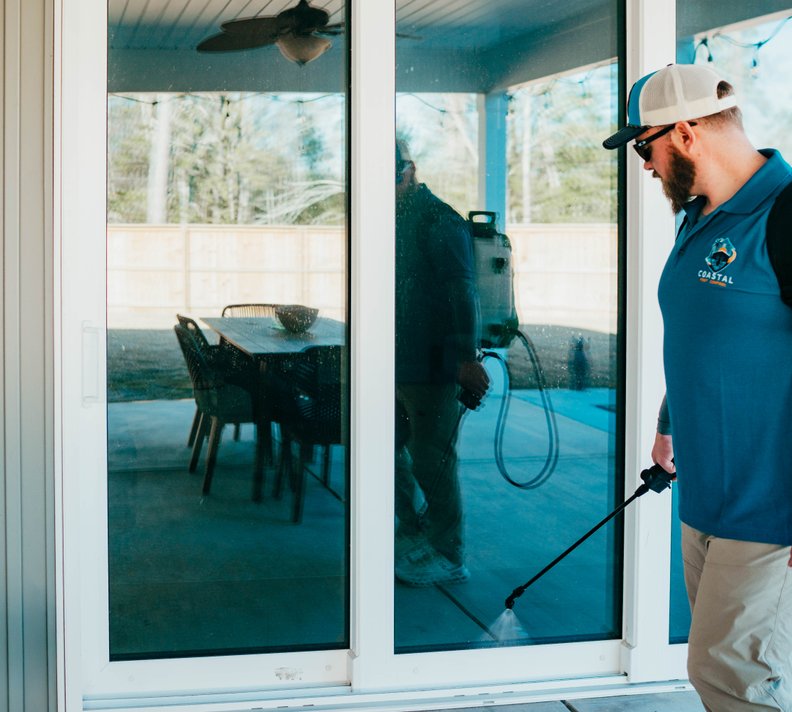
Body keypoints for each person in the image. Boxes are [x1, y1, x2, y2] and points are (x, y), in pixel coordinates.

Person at [604, 63, 792, 711]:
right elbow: (701, 334)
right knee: (723, 670)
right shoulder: (699, 218)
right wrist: (668, 423)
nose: (646, 165)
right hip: (707, 495)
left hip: (771, 511)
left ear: (684, 134)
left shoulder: (786, 215)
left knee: (733, 679)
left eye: (643, 146)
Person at [393, 139, 490, 586]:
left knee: (432, 458)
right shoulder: (393, 216)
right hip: (393, 360)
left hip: (432, 365)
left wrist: (467, 359)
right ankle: (411, 530)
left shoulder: (438, 220)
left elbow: (463, 292)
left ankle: (448, 554)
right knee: (387, 451)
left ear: (408, 171)